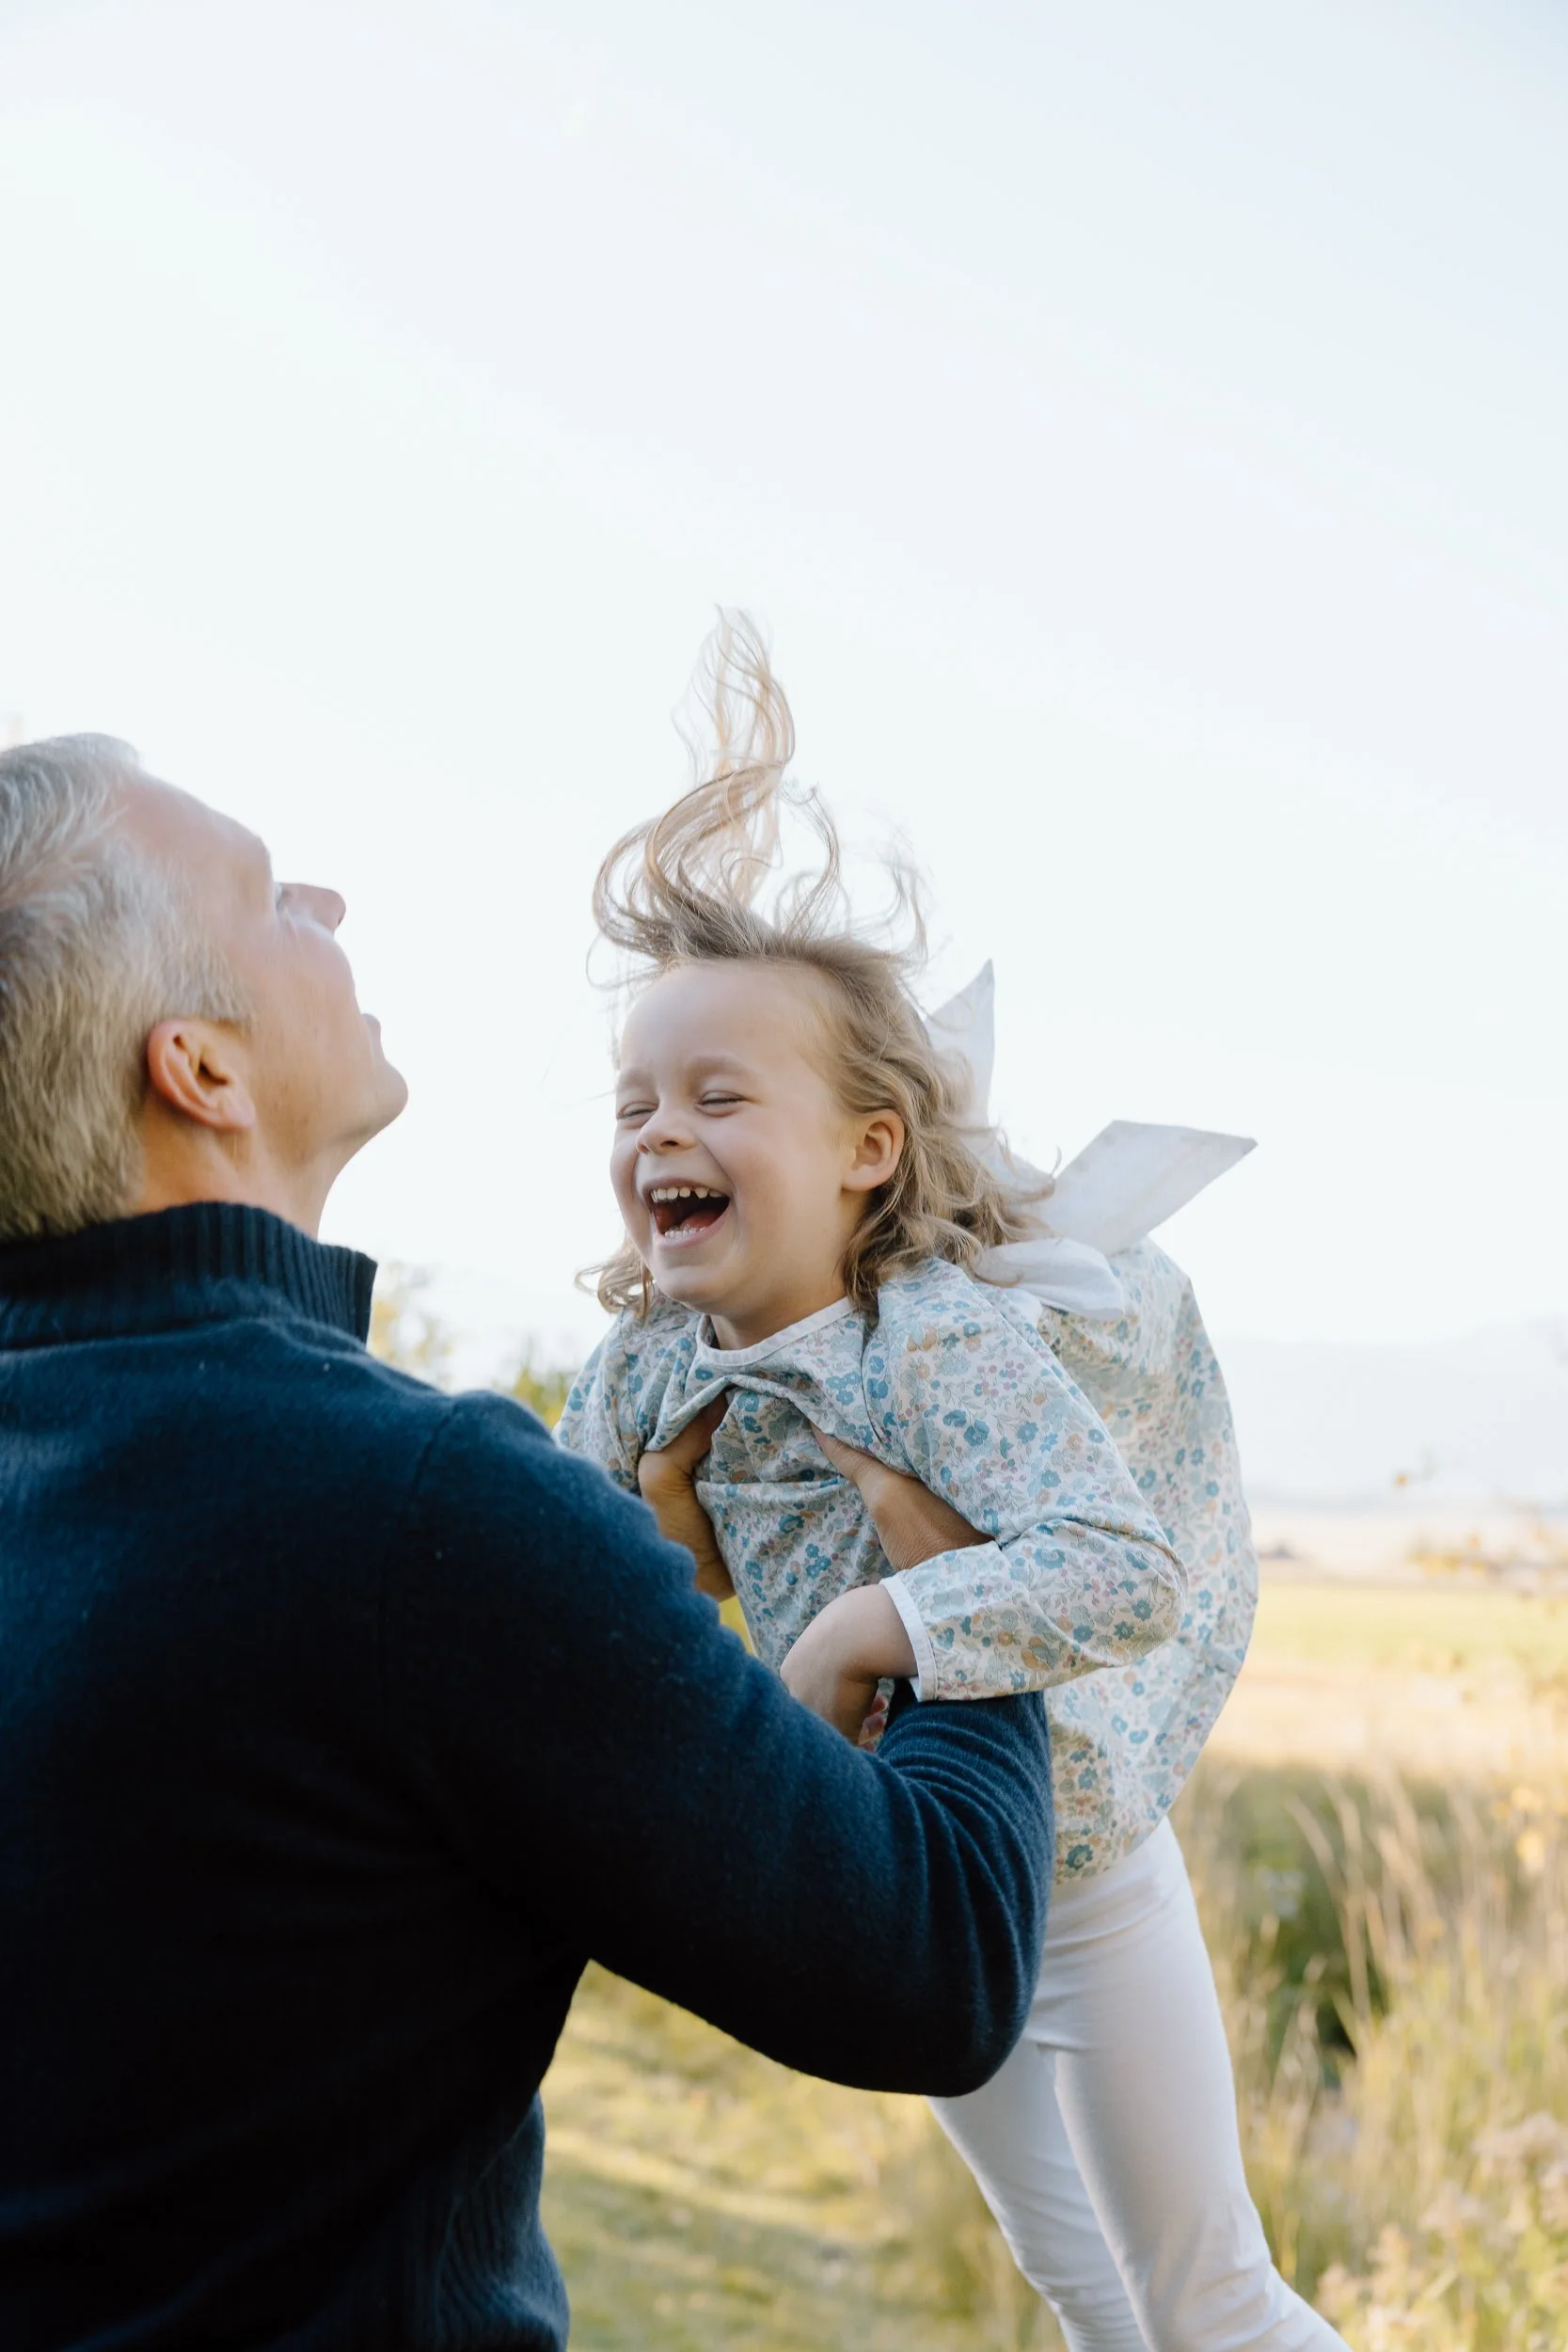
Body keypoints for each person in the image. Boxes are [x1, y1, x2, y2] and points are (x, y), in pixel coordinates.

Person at [0, 732, 1057, 2352]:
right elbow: (929, 1962)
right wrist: (974, 1583)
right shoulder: (414, 1513)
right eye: (273, 895)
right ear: (198, 1068)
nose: (329, 898)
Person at [557, 618, 1351, 2351]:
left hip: (1070, 1859)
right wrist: (666, 1553)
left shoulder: (933, 1343)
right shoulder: (636, 1375)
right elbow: (575, 1613)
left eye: (715, 1095)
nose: (657, 1134)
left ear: (865, 1153)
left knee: (1202, 2292)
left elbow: (1116, 1569)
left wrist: (861, 1626)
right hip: (913, 1882)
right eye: (631, 1105)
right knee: (1077, 2290)